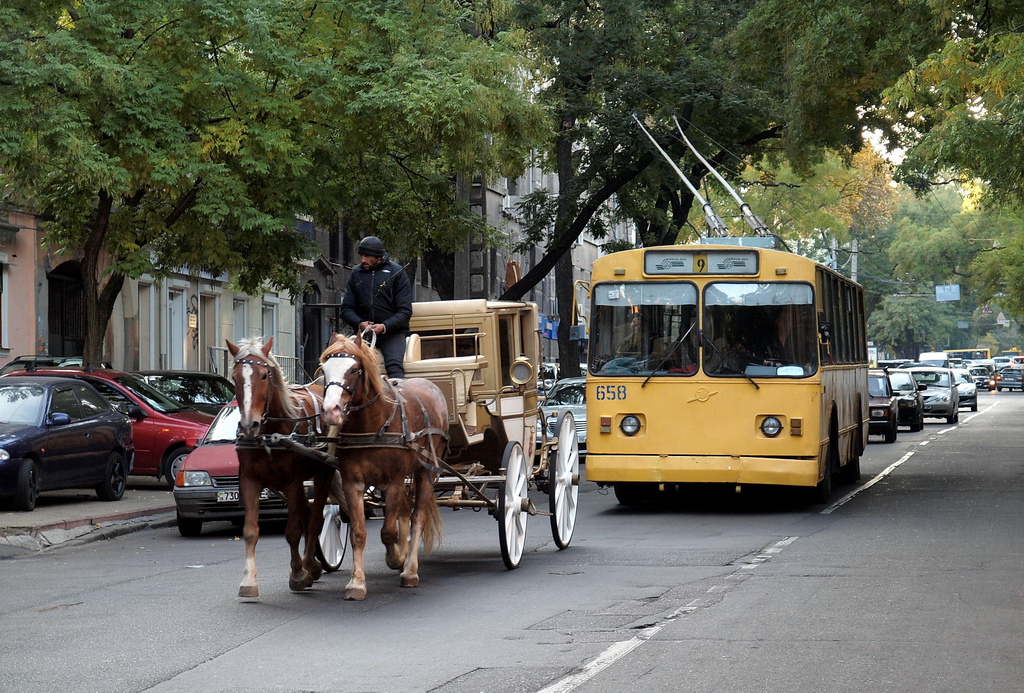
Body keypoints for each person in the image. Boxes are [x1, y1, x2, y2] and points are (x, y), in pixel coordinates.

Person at [339, 236, 414, 378]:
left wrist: (384, 326)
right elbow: (346, 309)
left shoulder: (396, 272)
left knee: (394, 364)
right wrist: (360, 323)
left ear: (378, 256)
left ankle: (399, 397)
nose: (363, 260)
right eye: (361, 256)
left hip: (392, 334)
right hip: (364, 334)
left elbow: (405, 311)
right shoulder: (356, 274)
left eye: (367, 256)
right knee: (346, 364)